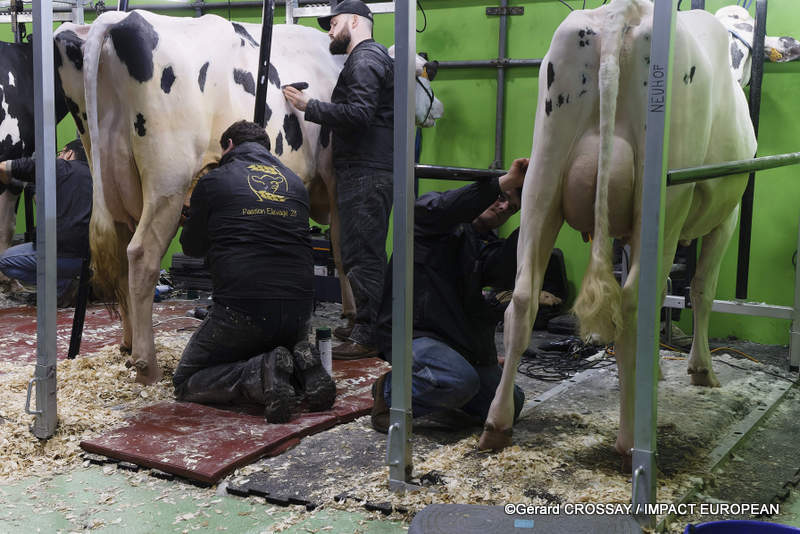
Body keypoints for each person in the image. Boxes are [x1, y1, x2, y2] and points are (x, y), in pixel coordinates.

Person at [174, 120, 335, 423]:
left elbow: (192, 248)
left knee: (185, 380)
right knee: (276, 347)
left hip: (242, 309)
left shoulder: (214, 180)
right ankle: (301, 367)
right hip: (299, 313)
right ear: (267, 148)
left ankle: (260, 373)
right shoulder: (295, 183)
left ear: (229, 146)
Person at [369, 158, 530, 433]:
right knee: (457, 381)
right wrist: (505, 182)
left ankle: (448, 394)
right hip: (415, 333)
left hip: (455, 343)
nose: (503, 207)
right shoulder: (429, 219)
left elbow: (500, 273)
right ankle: (389, 393)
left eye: (512, 208)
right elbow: (447, 208)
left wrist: (541, 216)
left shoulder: (486, 245)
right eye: (502, 198)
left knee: (512, 401)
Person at [283, 0, 394, 360]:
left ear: (355, 21)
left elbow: (360, 114)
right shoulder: (366, 60)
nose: (329, 30)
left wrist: (308, 106)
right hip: (363, 170)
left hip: (367, 171)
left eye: (334, 23)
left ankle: (368, 335)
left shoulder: (366, 59)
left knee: (364, 254)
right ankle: (364, 322)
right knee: (358, 250)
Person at [0, 139, 92, 307]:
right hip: (89, 261)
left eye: (60, 153)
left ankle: (60, 286)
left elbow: (3, 167)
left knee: (4, 262)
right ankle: (69, 284)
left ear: (69, 153)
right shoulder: (96, 176)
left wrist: (8, 183)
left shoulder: (58, 167)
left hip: (58, 254)